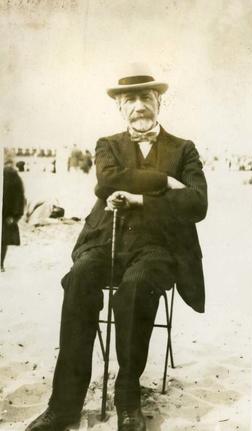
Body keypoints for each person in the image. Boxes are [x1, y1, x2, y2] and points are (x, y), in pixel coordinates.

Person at [26, 64, 208, 431]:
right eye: (130, 100)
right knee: (78, 279)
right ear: (119, 108)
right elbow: (106, 181)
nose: (139, 106)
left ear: (160, 101)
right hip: (105, 240)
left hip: (158, 248)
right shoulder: (107, 144)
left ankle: (127, 395)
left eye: (146, 98)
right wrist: (165, 182)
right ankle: (64, 404)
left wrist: (141, 200)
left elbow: (198, 204)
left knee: (139, 284)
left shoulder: (183, 148)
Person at [1, 162, 25, 272]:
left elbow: (19, 197)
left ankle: (0, 264)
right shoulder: (13, 175)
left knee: (3, 240)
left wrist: (14, 216)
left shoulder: (11, 176)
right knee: (3, 240)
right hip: (7, 214)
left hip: (6, 214)